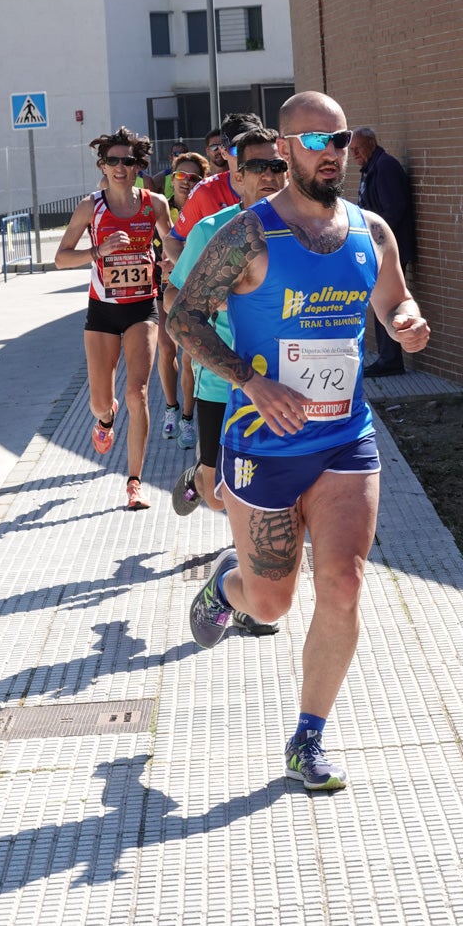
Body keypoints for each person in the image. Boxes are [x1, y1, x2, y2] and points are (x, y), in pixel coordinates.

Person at [166, 91, 431, 790]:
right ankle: (229, 588)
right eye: (313, 141)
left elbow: (394, 298)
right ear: (282, 150)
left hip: (344, 439)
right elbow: (182, 317)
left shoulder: (369, 232)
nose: (329, 152)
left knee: (341, 585)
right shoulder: (247, 236)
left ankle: (308, 738)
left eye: (339, 139)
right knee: (273, 602)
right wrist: (251, 383)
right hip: (263, 445)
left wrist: (406, 320)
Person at [166, 127, 289, 638]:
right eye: (258, 167)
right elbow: (177, 303)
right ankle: (198, 480)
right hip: (223, 386)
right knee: (219, 494)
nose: (270, 176)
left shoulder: (294, 230)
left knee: (262, 504)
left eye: (277, 166)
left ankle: (244, 596)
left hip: (281, 388)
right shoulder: (212, 231)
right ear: (235, 175)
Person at [55, 127, 171, 511]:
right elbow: (60, 257)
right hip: (102, 311)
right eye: (113, 161)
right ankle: (106, 421)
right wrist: (97, 250)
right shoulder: (91, 207)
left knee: (137, 393)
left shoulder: (154, 204)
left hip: (142, 309)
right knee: (100, 401)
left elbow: (171, 248)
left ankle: (134, 483)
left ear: (140, 165)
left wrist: (173, 264)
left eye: (129, 161)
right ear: (102, 165)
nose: (121, 167)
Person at [350, 126, 415, 377]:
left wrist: (375, 236)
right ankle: (388, 358)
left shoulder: (385, 167)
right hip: (376, 249)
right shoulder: (371, 167)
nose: (353, 154)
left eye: (357, 148)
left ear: (371, 144)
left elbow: (394, 209)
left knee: (388, 303)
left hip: (388, 249)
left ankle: (390, 360)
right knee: (379, 303)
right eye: (351, 149)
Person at [153, 152, 208, 446]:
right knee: (165, 347)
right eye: (181, 177)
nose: (186, 183)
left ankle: (188, 418)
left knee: (189, 359)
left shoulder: (206, 212)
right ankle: (171, 409)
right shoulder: (162, 210)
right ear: (172, 180)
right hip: (163, 287)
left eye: (194, 178)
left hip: (192, 290)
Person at [162, 112, 262, 267]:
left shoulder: (280, 186)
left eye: (253, 148)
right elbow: (172, 240)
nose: (246, 156)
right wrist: (196, 279)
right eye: (238, 150)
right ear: (223, 152)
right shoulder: (205, 191)